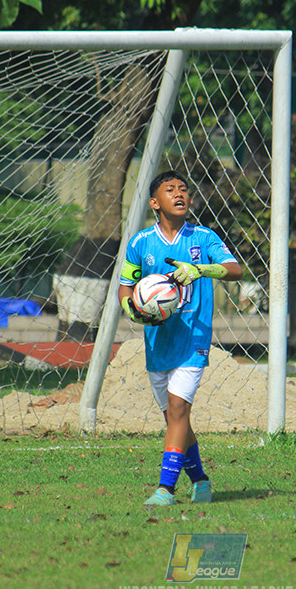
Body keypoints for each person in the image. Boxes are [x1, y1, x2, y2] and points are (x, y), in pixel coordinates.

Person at [118, 170, 243, 506]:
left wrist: (199, 270)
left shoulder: (203, 238)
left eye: (184, 190)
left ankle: (165, 489)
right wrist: (131, 309)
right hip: (158, 343)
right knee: (176, 419)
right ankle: (200, 480)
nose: (179, 194)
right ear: (155, 202)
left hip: (194, 341)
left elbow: (235, 270)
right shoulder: (140, 243)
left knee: (177, 410)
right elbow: (126, 287)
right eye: (170, 189)